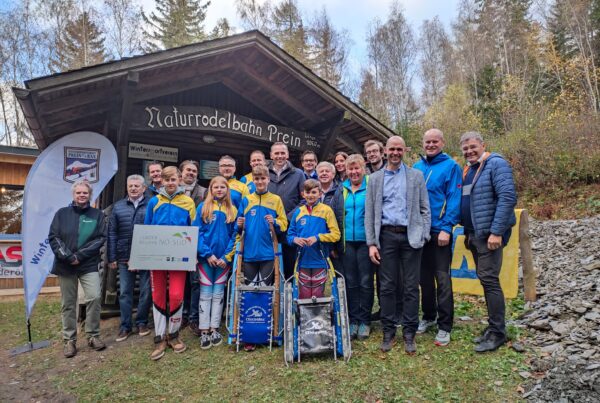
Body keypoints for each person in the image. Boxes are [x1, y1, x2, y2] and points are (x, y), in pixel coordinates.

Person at [365, 136, 431, 354]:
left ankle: (409, 332)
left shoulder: (416, 176)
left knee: (412, 287)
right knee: (387, 286)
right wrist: (372, 243)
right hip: (386, 237)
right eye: (391, 149)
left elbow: (425, 209)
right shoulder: (374, 179)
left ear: (404, 150)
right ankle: (388, 330)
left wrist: (424, 235)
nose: (395, 152)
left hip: (411, 237)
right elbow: (369, 214)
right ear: (385, 151)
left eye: (399, 149)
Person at [459, 131, 517, 353]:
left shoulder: (496, 164)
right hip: (474, 234)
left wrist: (496, 231)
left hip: (489, 236)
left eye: (473, 146)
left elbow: (507, 197)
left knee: (490, 281)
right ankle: (493, 327)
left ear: (483, 145)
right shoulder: (471, 170)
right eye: (465, 149)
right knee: (486, 280)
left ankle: (498, 333)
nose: (469, 151)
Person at [413, 129, 462, 346]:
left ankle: (445, 325)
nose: (431, 145)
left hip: (439, 230)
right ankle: (429, 316)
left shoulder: (451, 166)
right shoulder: (417, 167)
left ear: (442, 142)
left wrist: (447, 227)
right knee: (424, 279)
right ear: (423, 144)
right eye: (427, 142)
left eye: (435, 141)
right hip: (420, 232)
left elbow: (454, 197)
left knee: (442, 279)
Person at [49, 180, 106, 358]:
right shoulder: (61, 213)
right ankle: (70, 340)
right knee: (68, 303)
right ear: (73, 194)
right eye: (78, 193)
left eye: (85, 193)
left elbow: (100, 238)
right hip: (65, 266)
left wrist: (79, 256)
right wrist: (68, 256)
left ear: (90, 195)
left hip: (88, 264)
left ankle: (93, 335)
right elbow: (54, 237)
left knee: (95, 297)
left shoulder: (98, 215)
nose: (82, 195)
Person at [144, 166, 196, 360]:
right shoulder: (154, 202)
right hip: (157, 256)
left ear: (180, 179)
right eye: (167, 180)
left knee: (175, 294)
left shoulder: (188, 202)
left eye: (174, 179)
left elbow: (193, 229)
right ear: (162, 182)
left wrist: (193, 253)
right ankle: (159, 338)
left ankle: (173, 335)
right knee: (158, 295)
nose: (170, 183)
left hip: (179, 256)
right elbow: (147, 230)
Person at [237, 165, 288, 351]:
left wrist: (275, 222)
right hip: (249, 255)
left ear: (268, 180)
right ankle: (250, 333)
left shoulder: (275, 200)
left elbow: (284, 222)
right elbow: (239, 226)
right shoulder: (246, 199)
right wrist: (239, 224)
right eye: (256, 179)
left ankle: (267, 331)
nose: (260, 182)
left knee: (267, 292)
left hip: (268, 254)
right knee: (250, 291)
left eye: (263, 179)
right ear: (253, 181)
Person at [192, 176, 239, 350]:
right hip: (206, 259)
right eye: (215, 187)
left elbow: (235, 235)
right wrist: (207, 254)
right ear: (210, 190)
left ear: (227, 190)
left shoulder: (232, 210)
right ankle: (204, 330)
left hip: (223, 261)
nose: (219, 190)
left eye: (222, 187)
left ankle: (214, 328)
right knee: (205, 292)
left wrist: (226, 257)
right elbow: (197, 232)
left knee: (218, 293)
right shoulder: (203, 207)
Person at [108, 175, 152, 342]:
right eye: (130, 186)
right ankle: (125, 326)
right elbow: (112, 233)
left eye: (137, 186)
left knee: (146, 291)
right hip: (124, 257)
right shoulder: (118, 207)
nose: (133, 188)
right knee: (125, 292)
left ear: (144, 188)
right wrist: (112, 257)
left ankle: (142, 322)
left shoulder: (151, 205)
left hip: (146, 257)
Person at [338, 154, 374, 341]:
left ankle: (365, 321)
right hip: (347, 243)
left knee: (366, 281)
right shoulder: (341, 189)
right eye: (350, 169)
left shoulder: (371, 187)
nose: (353, 172)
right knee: (351, 281)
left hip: (366, 242)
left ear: (363, 168)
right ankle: (353, 319)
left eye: (356, 168)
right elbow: (337, 215)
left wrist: (374, 242)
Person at [287, 179, 341, 299]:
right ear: (303, 194)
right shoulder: (298, 212)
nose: (310, 195)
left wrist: (318, 237)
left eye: (314, 192)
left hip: (320, 260)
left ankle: (320, 317)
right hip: (302, 261)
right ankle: (304, 318)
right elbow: (289, 236)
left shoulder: (327, 210)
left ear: (320, 194)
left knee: (318, 295)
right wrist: (295, 240)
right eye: (308, 192)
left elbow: (336, 235)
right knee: (304, 295)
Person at [267, 142, 305, 278]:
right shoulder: (265, 173)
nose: (279, 156)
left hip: (290, 227)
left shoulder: (298, 174)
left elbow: (304, 200)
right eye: (276, 153)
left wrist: (288, 218)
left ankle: (287, 296)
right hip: (269, 227)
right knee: (270, 267)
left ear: (287, 154)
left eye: (282, 153)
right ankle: (272, 298)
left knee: (289, 266)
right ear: (271, 155)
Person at [178, 160, 207, 336]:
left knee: (195, 282)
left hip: (195, 241)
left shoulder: (204, 193)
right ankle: (181, 315)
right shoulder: (173, 191)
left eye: (194, 171)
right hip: (177, 242)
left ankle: (194, 319)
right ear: (181, 172)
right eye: (188, 170)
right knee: (180, 282)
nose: (191, 173)